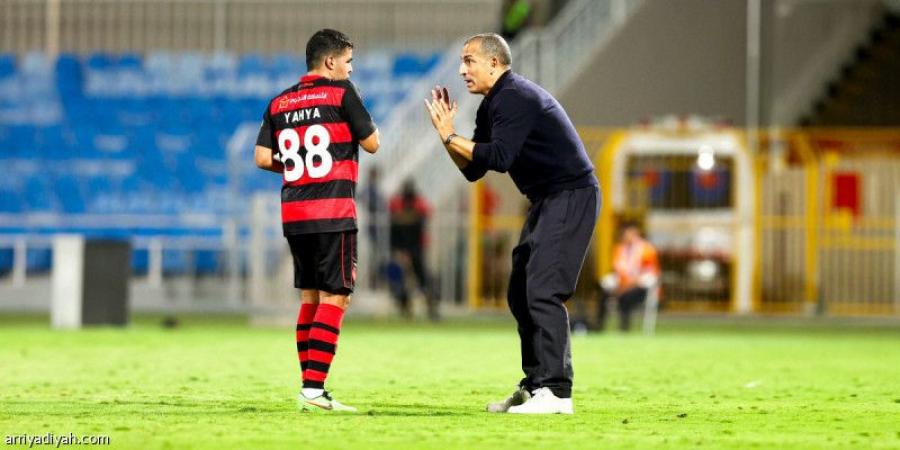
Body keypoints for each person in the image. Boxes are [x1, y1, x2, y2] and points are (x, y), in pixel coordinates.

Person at [424, 33, 599, 415]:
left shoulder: (514, 96)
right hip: (547, 200)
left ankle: (557, 392)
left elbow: (500, 157)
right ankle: (536, 384)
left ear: (494, 62)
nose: (462, 69)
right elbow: (474, 170)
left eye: (469, 60)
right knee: (521, 291)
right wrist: (446, 138)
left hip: (570, 194)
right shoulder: (492, 105)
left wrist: (451, 135)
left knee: (542, 289)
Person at [254, 28, 380, 413]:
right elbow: (372, 143)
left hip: (294, 215)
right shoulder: (343, 94)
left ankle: (309, 385)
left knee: (309, 297)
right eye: (348, 61)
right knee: (335, 297)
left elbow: (261, 158)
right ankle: (313, 390)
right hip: (332, 213)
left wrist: (298, 171)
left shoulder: (279, 102)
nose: (351, 69)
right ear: (330, 62)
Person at [387, 179, 437, 320]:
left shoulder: (415, 208)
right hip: (405, 249)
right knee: (403, 281)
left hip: (415, 248)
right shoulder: (404, 208)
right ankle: (406, 308)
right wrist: (399, 251)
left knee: (422, 279)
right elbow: (395, 232)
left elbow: (417, 228)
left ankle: (430, 307)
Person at [597, 222, 660, 332]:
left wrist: (627, 286)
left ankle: (624, 328)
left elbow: (649, 275)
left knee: (625, 297)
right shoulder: (620, 249)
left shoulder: (647, 250)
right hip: (621, 285)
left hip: (639, 288)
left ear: (636, 233)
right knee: (603, 293)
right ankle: (599, 326)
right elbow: (618, 271)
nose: (626, 236)